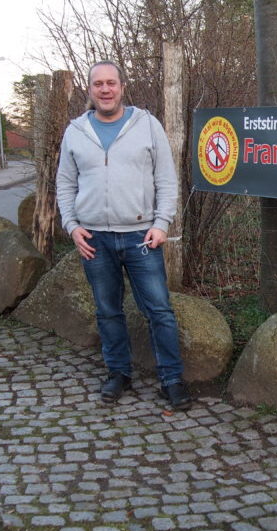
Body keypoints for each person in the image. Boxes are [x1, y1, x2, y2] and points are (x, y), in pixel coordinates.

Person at [55, 60, 193, 410]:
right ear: (90, 89)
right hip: (94, 240)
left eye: (111, 83)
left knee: (159, 310)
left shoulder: (146, 126)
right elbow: (65, 184)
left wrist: (162, 223)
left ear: (122, 87)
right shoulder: (75, 131)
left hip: (141, 237)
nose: (105, 89)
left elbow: (166, 179)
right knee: (107, 311)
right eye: (98, 84)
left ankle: (171, 379)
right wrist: (72, 226)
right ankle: (119, 373)